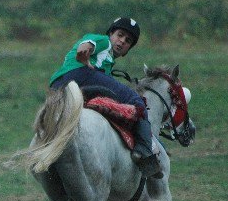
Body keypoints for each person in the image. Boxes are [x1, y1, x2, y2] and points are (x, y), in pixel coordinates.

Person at [49, 17, 163, 179]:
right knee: (136, 100)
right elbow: (84, 48)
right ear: (110, 34)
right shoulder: (103, 41)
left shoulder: (107, 62)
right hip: (80, 75)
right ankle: (144, 151)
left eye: (128, 40)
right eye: (120, 35)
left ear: (127, 50)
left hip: (57, 86)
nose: (122, 41)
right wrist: (84, 59)